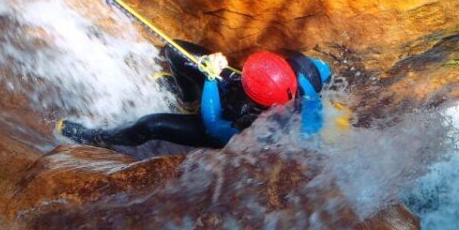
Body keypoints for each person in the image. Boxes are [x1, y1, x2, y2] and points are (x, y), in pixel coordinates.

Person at [58, 40, 332, 149]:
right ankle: (186, 97)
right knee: (176, 50)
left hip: (213, 125)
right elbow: (322, 69)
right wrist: (214, 71)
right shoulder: (294, 79)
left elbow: (214, 126)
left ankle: (99, 138)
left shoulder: (259, 128)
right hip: (231, 93)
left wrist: (212, 79)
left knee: (150, 125)